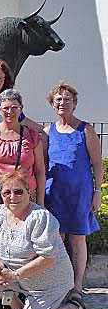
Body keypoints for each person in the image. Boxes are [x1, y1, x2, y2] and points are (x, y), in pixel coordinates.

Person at [0, 171, 94, 309]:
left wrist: (15, 275)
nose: (12, 196)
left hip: (49, 283)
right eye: (6, 193)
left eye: (18, 192)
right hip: (19, 279)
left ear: (28, 192)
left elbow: (48, 258)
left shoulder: (40, 217)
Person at [44, 82, 103, 295]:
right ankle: (59, 284)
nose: (62, 103)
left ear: (74, 103)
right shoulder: (47, 131)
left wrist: (97, 193)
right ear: (52, 104)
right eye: (58, 99)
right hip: (54, 194)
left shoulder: (86, 130)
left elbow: (97, 163)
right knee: (56, 240)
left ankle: (77, 285)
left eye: (67, 99)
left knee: (78, 239)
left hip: (80, 194)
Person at [0, 89, 46, 215]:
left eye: (14, 107)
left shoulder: (32, 136)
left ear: (21, 109)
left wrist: (41, 202)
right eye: (6, 108)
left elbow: (40, 171)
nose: (10, 112)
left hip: (26, 196)